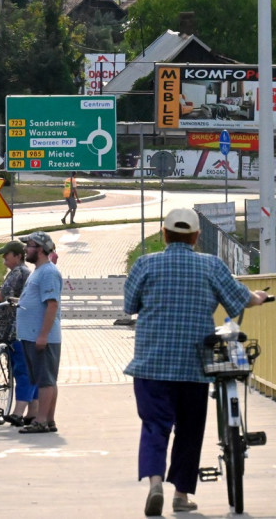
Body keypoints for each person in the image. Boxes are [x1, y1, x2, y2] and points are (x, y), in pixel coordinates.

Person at [124, 208, 270, 516]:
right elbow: (240, 298)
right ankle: (181, 494)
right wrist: (256, 297)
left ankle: (154, 483)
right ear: (196, 236)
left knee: (155, 426)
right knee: (190, 430)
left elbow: (130, 305)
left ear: (164, 234)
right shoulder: (211, 265)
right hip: (194, 365)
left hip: (151, 364)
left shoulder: (145, 264)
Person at [15, 231, 63, 434]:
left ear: (41, 249)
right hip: (33, 335)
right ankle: (48, 420)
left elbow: (52, 305)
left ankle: (41, 420)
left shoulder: (48, 273)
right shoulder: (39, 271)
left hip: (42, 337)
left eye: (30, 245)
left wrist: (42, 335)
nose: (26, 249)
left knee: (45, 380)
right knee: (46, 379)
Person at [0, 240, 37, 427]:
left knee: (21, 370)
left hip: (14, 328)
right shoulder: (20, 272)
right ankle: (32, 411)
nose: (4, 258)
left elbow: (4, 296)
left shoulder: (19, 272)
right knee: (23, 370)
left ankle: (19, 413)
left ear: (18, 256)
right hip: (13, 328)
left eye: (7, 255)